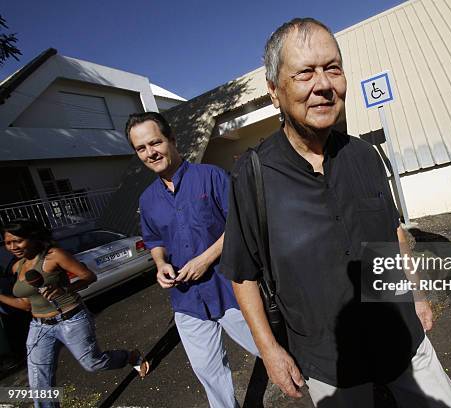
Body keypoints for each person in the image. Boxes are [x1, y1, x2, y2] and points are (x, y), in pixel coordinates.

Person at [219, 18, 451, 408]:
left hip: (403, 338)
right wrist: (269, 350)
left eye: (333, 68)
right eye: (304, 73)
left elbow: (395, 233)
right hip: (328, 363)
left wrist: (417, 294)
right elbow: (243, 274)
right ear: (274, 92)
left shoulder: (364, 156)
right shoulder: (253, 175)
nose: (324, 85)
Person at [125, 112, 259, 408]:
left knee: (273, 351)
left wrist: (205, 259)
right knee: (210, 375)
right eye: (141, 148)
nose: (150, 153)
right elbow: (154, 241)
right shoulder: (147, 200)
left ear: (171, 140)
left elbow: (240, 224)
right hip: (187, 303)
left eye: (155, 142)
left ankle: (326, 393)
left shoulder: (211, 176)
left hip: (232, 291)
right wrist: (160, 264)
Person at [0, 218, 148, 408]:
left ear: (32, 237)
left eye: (17, 241)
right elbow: (25, 305)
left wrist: (65, 289)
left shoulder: (54, 255)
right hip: (39, 326)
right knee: (40, 383)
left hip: (70, 319)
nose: (12, 246)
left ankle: (129, 357)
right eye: (7, 242)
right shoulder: (17, 266)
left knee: (93, 363)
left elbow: (89, 276)